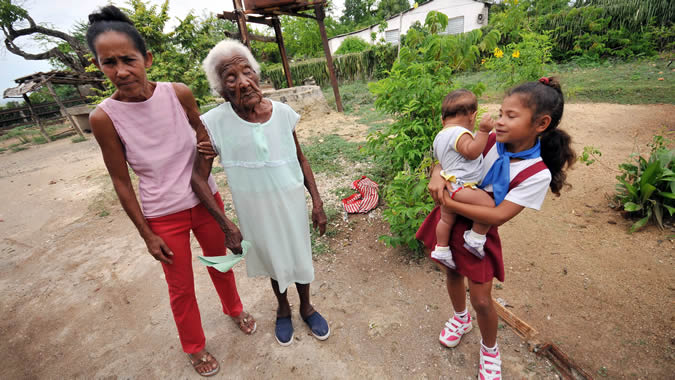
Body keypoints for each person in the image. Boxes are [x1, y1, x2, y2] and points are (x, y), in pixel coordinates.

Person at [86, 6, 255, 377]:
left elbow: (201, 132)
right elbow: (120, 181)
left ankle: (234, 309)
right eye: (108, 62)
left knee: (221, 264)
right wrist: (147, 234)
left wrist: (206, 151)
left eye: (129, 59)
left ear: (146, 58)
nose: (121, 71)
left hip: (206, 201)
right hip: (164, 215)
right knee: (180, 287)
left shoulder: (178, 94)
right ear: (99, 65)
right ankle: (194, 346)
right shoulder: (104, 118)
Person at [417, 77, 575, 380]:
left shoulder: (535, 173)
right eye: (501, 113)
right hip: (454, 214)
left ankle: (490, 349)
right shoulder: (488, 140)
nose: (500, 121)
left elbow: (499, 215)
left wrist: (450, 202)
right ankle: (460, 319)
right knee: (451, 272)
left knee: (481, 299)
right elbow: (451, 158)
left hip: (480, 231)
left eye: (511, 116)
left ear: (541, 123)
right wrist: (437, 172)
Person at [191, 39, 330, 347]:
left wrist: (317, 203)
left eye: (247, 72)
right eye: (231, 78)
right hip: (255, 209)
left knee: (299, 254)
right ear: (221, 89)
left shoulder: (282, 112)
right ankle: (283, 309)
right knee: (271, 258)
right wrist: (226, 226)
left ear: (256, 74)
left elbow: (300, 157)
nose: (243, 82)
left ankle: (307, 307)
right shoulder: (213, 123)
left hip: (291, 201)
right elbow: (197, 180)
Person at [431, 89, 496, 269]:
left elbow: (442, 162)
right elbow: (472, 151)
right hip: (461, 187)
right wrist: (482, 132)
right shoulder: (460, 133)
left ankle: (441, 249)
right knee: (489, 207)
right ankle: (475, 238)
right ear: (473, 116)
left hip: (448, 185)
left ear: (442, 120)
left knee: (446, 221)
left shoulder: (439, 137)